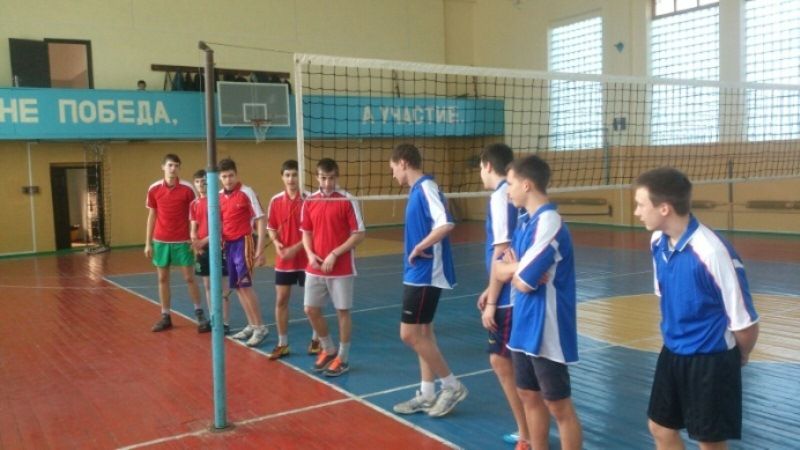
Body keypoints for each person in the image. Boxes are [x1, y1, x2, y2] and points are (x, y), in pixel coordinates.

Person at [633, 167, 759, 450]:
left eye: (641, 204)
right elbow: (666, 296)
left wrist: (739, 356)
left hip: (710, 359)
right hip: (672, 352)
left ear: (664, 208)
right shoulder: (658, 242)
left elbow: (745, 324)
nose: (636, 212)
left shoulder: (712, 252)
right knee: (660, 427)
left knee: (709, 441)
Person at [493, 155, 582, 450]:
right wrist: (519, 268)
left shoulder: (549, 222)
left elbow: (521, 281)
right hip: (523, 322)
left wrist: (515, 270)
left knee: (559, 406)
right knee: (528, 395)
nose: (507, 191)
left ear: (527, 185)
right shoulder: (524, 222)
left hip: (547, 327)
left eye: (511, 184)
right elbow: (500, 269)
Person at [389, 143, 467, 418]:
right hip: (417, 273)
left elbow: (446, 223)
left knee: (409, 334)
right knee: (423, 332)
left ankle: (452, 385)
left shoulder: (426, 188)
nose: (393, 174)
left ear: (403, 162)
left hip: (425, 273)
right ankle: (428, 393)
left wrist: (420, 246)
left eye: (393, 168)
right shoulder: (416, 190)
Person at [475, 144, 529, 448]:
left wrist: (493, 300)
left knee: (502, 360)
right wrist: (490, 287)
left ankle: (527, 434)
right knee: (506, 360)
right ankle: (527, 431)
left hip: (509, 296)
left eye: (480, 168)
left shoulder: (500, 196)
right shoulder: (512, 194)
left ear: (486, 165)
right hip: (509, 288)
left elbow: (502, 250)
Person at [300, 158, 365, 377]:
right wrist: (310, 254)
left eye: (331, 178)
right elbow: (306, 232)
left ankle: (343, 358)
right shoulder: (309, 201)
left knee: (342, 312)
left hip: (341, 268)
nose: (327, 183)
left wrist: (335, 253)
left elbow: (359, 234)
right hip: (315, 267)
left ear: (337, 177)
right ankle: (328, 348)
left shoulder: (347, 200)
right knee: (310, 309)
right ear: (317, 177)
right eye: (323, 178)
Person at [145, 153, 209, 333]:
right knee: (162, 278)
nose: (173, 169)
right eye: (170, 165)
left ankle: (199, 313)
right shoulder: (154, 189)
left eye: (176, 166)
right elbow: (152, 216)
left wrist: (194, 239)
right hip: (160, 241)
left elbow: (195, 216)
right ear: (163, 167)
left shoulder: (188, 189)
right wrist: (148, 243)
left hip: (183, 241)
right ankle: (165, 316)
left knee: (189, 278)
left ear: (179, 168)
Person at [265, 160, 319, 360]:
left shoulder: (310, 200)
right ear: (282, 177)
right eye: (287, 175)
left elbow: (313, 232)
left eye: (294, 175)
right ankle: (283, 344)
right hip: (284, 261)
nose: (291, 179)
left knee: (312, 304)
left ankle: (316, 340)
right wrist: (276, 243)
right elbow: (271, 228)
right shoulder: (275, 201)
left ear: (300, 177)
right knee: (281, 300)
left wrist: (294, 249)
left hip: (307, 259)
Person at [217, 158, 269, 347]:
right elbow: (220, 222)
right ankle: (252, 324)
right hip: (228, 245)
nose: (228, 180)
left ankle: (260, 327)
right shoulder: (218, 196)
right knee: (238, 288)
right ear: (219, 178)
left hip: (244, 242)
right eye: (224, 176)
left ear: (236, 174)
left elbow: (261, 219)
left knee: (245, 286)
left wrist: (260, 249)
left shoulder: (247, 192)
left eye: (231, 175)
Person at [189, 169, 231, 334]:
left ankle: (224, 322)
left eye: (204, 181)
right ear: (194, 184)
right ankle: (214, 318)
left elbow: (221, 227)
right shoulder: (194, 204)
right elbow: (193, 228)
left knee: (223, 286)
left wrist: (203, 241)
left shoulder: (218, 200)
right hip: (202, 249)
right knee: (207, 285)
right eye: (198, 182)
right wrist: (196, 244)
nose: (201, 184)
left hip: (219, 246)